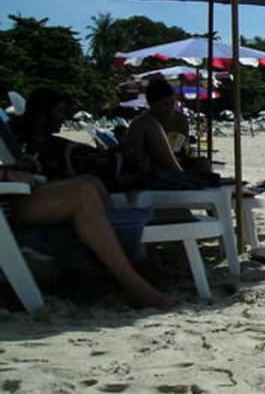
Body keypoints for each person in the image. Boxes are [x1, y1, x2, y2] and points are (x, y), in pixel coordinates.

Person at [3, 88, 174, 308]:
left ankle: (114, 267)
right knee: (82, 192)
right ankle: (134, 284)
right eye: (59, 113)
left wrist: (15, 168)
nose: (63, 118)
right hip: (9, 201)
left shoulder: (22, 134)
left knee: (91, 183)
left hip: (16, 193)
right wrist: (6, 174)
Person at [120, 78, 187, 175]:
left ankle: (182, 175)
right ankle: (181, 175)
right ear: (152, 105)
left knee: (203, 163)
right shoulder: (142, 123)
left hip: (177, 163)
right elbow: (135, 158)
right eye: (165, 104)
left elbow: (181, 148)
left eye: (172, 103)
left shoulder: (180, 120)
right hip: (151, 169)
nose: (170, 109)